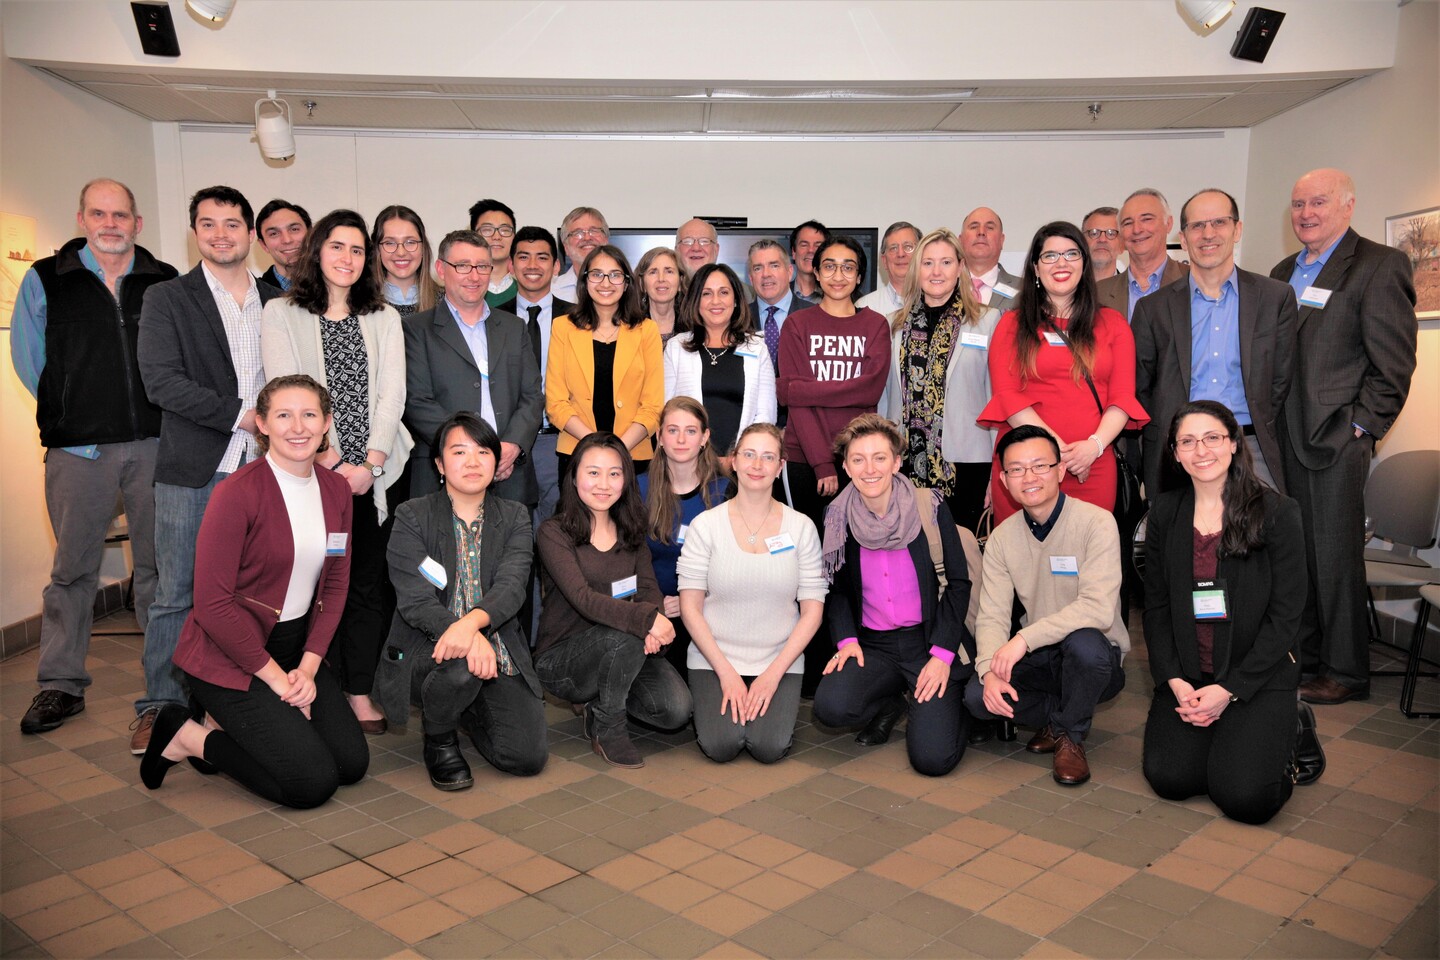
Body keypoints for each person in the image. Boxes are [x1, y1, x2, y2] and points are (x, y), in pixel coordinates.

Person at [137, 374, 368, 809]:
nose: (297, 427)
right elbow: (212, 606)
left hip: (295, 649)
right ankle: (188, 736)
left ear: (326, 424)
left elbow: (336, 583)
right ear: (262, 423)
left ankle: (232, 726)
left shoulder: (336, 489)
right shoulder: (235, 494)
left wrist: (309, 669)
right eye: (283, 415)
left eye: (309, 415)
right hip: (231, 656)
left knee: (350, 765)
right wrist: (281, 683)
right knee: (312, 784)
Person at [12, 178, 177, 735]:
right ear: (82, 218)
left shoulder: (164, 281)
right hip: (78, 451)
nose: (111, 223)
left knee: (159, 571)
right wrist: (71, 413)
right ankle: (59, 685)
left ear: (138, 223)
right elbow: (30, 360)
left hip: (156, 445)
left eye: (121, 215)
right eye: (99, 213)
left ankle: (165, 689)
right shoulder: (45, 280)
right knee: (72, 571)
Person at [134, 185, 281, 755]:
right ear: (194, 232)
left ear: (251, 233)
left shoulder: (276, 301)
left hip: (265, 472)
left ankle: (225, 703)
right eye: (208, 224)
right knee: (177, 593)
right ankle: (161, 709)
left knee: (246, 595)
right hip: (196, 468)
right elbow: (161, 383)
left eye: (232, 224)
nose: (221, 234)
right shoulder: (168, 298)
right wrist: (245, 417)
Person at [1270, 168, 1418, 705]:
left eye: (1318, 202)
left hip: (1334, 441)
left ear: (1348, 205)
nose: (1306, 213)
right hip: (1283, 440)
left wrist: (1361, 427)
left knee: (1334, 559)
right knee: (1298, 557)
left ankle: (1346, 672)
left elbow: (1394, 365)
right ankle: (1307, 661)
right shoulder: (1285, 270)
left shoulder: (1378, 266)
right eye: (1298, 203)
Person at [261, 208, 411, 735]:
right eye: (336, 247)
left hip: (373, 476)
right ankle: (303, 689)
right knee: (308, 585)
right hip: (309, 473)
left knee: (366, 586)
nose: (346, 259)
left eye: (356, 249)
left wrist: (368, 463)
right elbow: (286, 393)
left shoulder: (384, 317)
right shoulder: (281, 313)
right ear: (316, 251)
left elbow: (393, 395)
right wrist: (325, 460)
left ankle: (359, 691)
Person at [1142, 401, 1319, 823]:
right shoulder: (1165, 513)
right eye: (1188, 441)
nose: (1201, 450)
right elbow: (1157, 605)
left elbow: (1287, 617)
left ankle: (1293, 727)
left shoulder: (1277, 512)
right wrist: (1175, 680)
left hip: (1255, 673)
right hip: (1191, 672)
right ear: (1175, 452)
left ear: (1234, 445)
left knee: (1245, 801)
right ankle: (1228, 739)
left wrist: (1231, 689)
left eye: (1213, 438)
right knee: (1171, 779)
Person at [377, 413, 547, 788]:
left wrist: (472, 626)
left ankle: (460, 707)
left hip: (497, 647)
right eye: (459, 451)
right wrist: (465, 636)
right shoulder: (411, 516)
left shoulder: (515, 516)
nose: (473, 461)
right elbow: (414, 599)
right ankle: (439, 738)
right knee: (459, 670)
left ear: (496, 462)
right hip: (427, 648)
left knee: (526, 757)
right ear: (439, 464)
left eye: (483, 451)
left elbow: (512, 585)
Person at [964, 425, 1129, 786]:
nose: (1029, 477)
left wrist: (1023, 638)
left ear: (1060, 470)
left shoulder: (1096, 523)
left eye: (1040, 465)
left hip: (1094, 653)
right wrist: (989, 670)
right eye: (1017, 469)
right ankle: (1065, 714)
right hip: (1043, 657)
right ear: (1004, 480)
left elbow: (1098, 609)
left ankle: (1070, 735)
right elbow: (991, 615)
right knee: (978, 697)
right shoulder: (1002, 540)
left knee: (1085, 646)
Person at [811, 416, 973, 776]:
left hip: (928, 643)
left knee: (932, 760)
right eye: (858, 459)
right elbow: (836, 590)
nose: (870, 469)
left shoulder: (929, 507)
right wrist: (847, 640)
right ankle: (892, 702)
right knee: (830, 706)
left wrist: (943, 654)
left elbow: (959, 584)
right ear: (846, 465)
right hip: (875, 647)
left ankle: (954, 706)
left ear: (897, 462)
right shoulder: (838, 516)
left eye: (879, 457)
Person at [534, 433, 692, 767]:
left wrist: (649, 620)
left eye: (614, 473)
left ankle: (599, 701)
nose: (603, 483)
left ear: (626, 479)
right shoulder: (554, 532)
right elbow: (583, 598)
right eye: (593, 472)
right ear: (574, 476)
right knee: (622, 630)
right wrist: (647, 620)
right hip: (563, 659)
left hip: (627, 647)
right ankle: (608, 727)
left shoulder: (631, 529)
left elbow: (648, 590)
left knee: (675, 710)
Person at [979, 221, 1148, 524]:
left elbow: (1123, 398)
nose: (1061, 263)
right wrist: (1057, 450)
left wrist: (1093, 448)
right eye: (1050, 256)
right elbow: (1008, 396)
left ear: (1084, 263)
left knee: (1088, 561)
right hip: (1026, 466)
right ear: (1035, 267)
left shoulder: (1114, 324)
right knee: (1024, 563)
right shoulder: (1011, 325)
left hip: (1092, 466)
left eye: (1071, 254)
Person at [1133, 189, 1296, 497]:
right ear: (1183, 238)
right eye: (1197, 226)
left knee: (1260, 537)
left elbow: (1280, 381)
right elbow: (1141, 389)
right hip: (1178, 449)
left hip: (1250, 446)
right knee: (1181, 542)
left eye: (1219, 222)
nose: (1208, 234)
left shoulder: (1275, 298)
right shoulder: (1153, 309)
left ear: (1237, 229)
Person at [678, 422, 825, 763]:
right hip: (714, 657)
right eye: (749, 454)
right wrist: (726, 673)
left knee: (769, 748)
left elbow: (813, 611)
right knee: (721, 746)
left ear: (780, 467)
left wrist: (772, 675)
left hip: (779, 658)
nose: (757, 465)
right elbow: (690, 608)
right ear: (733, 461)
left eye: (767, 456)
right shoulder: (706, 526)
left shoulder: (801, 528)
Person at [402, 230, 543, 507]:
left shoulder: (514, 328)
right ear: (441, 269)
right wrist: (473, 453)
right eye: (463, 266)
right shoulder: (415, 330)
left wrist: (512, 445)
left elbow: (532, 395)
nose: (474, 276)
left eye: (482, 267)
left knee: (511, 551)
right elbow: (416, 401)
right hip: (441, 474)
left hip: (509, 473)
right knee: (440, 552)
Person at [882, 227, 999, 533]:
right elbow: (886, 400)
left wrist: (998, 469)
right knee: (912, 554)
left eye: (946, 262)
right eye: (928, 262)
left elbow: (996, 398)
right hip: (904, 462)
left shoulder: (987, 321)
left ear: (960, 267)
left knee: (964, 555)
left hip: (968, 464)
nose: (936, 272)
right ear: (916, 269)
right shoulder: (894, 325)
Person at [776, 235, 891, 529]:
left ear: (860, 277)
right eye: (829, 267)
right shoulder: (797, 325)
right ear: (816, 273)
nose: (838, 276)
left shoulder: (875, 325)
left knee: (856, 549)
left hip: (860, 458)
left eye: (848, 268)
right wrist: (822, 463)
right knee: (808, 549)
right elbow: (797, 408)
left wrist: (802, 391)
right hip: (804, 458)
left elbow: (871, 390)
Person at [546, 245, 664, 476]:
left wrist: (617, 449)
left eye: (615, 275)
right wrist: (595, 447)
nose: (606, 283)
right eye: (597, 274)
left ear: (627, 282)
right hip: (577, 453)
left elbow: (652, 406)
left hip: (633, 456)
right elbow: (556, 403)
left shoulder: (647, 330)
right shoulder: (563, 327)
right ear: (585, 281)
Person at [638, 398, 729, 682]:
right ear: (659, 437)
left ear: (704, 438)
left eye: (691, 431)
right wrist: (655, 605)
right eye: (672, 430)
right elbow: (625, 560)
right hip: (654, 612)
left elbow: (734, 563)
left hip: (711, 611)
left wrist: (692, 600)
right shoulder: (637, 488)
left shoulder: (725, 491)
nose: (680, 439)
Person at [495, 225, 574, 527]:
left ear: (556, 266)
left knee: (560, 539)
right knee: (514, 541)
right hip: (509, 445)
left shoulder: (579, 319)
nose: (532, 265)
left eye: (542, 257)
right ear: (511, 266)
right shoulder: (492, 320)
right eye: (523, 257)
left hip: (561, 442)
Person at [663, 263, 777, 460]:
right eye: (706, 294)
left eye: (724, 292)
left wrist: (739, 458)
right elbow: (667, 411)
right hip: (689, 462)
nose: (716, 301)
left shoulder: (757, 348)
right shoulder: (676, 347)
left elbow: (766, 415)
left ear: (735, 300)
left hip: (744, 464)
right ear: (696, 301)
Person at [1098, 189, 1190, 321]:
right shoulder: (1098, 293)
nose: (1137, 229)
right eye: (1128, 223)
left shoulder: (1193, 281)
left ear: (1168, 224)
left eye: (1146, 219)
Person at [747, 238, 806, 376]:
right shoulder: (737, 318)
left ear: (790, 272)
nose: (766, 274)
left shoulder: (814, 315)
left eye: (774, 265)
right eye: (758, 268)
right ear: (751, 278)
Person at [371, 205, 439, 316]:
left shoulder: (447, 302)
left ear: (423, 248)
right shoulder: (361, 305)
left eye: (410, 242)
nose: (401, 252)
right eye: (390, 243)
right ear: (377, 250)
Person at [959, 207, 1020, 315]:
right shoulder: (942, 286)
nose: (981, 232)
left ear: (1002, 240)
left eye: (990, 227)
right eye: (974, 227)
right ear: (960, 240)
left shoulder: (1026, 289)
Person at [857, 221, 920, 318]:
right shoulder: (864, 307)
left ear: (922, 255)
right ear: (884, 261)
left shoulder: (936, 304)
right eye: (893, 248)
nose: (900, 254)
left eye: (908, 247)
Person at [552, 206, 609, 303]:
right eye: (578, 233)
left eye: (594, 231)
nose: (587, 238)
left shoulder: (626, 289)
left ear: (606, 240)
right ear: (565, 247)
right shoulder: (552, 292)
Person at [467, 198, 518, 306]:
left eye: (504, 230)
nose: (496, 236)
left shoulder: (527, 292)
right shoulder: (461, 291)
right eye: (487, 230)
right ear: (473, 236)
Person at [254, 199, 310, 291]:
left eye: (294, 229)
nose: (287, 240)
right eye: (274, 234)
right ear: (263, 245)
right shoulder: (256, 295)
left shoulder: (336, 285)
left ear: (311, 234)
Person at [637, 246, 686, 343]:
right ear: (642, 284)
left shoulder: (694, 325)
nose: (661, 278)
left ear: (681, 281)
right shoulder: (630, 325)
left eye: (669, 271)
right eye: (653, 272)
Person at [1081, 206, 1124, 282]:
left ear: (1122, 245)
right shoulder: (1064, 291)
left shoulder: (1134, 292)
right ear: (1081, 242)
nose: (1102, 239)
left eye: (1111, 233)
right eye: (1094, 233)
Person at [789, 219, 827, 304]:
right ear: (793, 252)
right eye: (804, 245)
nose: (810, 250)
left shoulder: (838, 295)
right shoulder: (779, 293)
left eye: (817, 246)